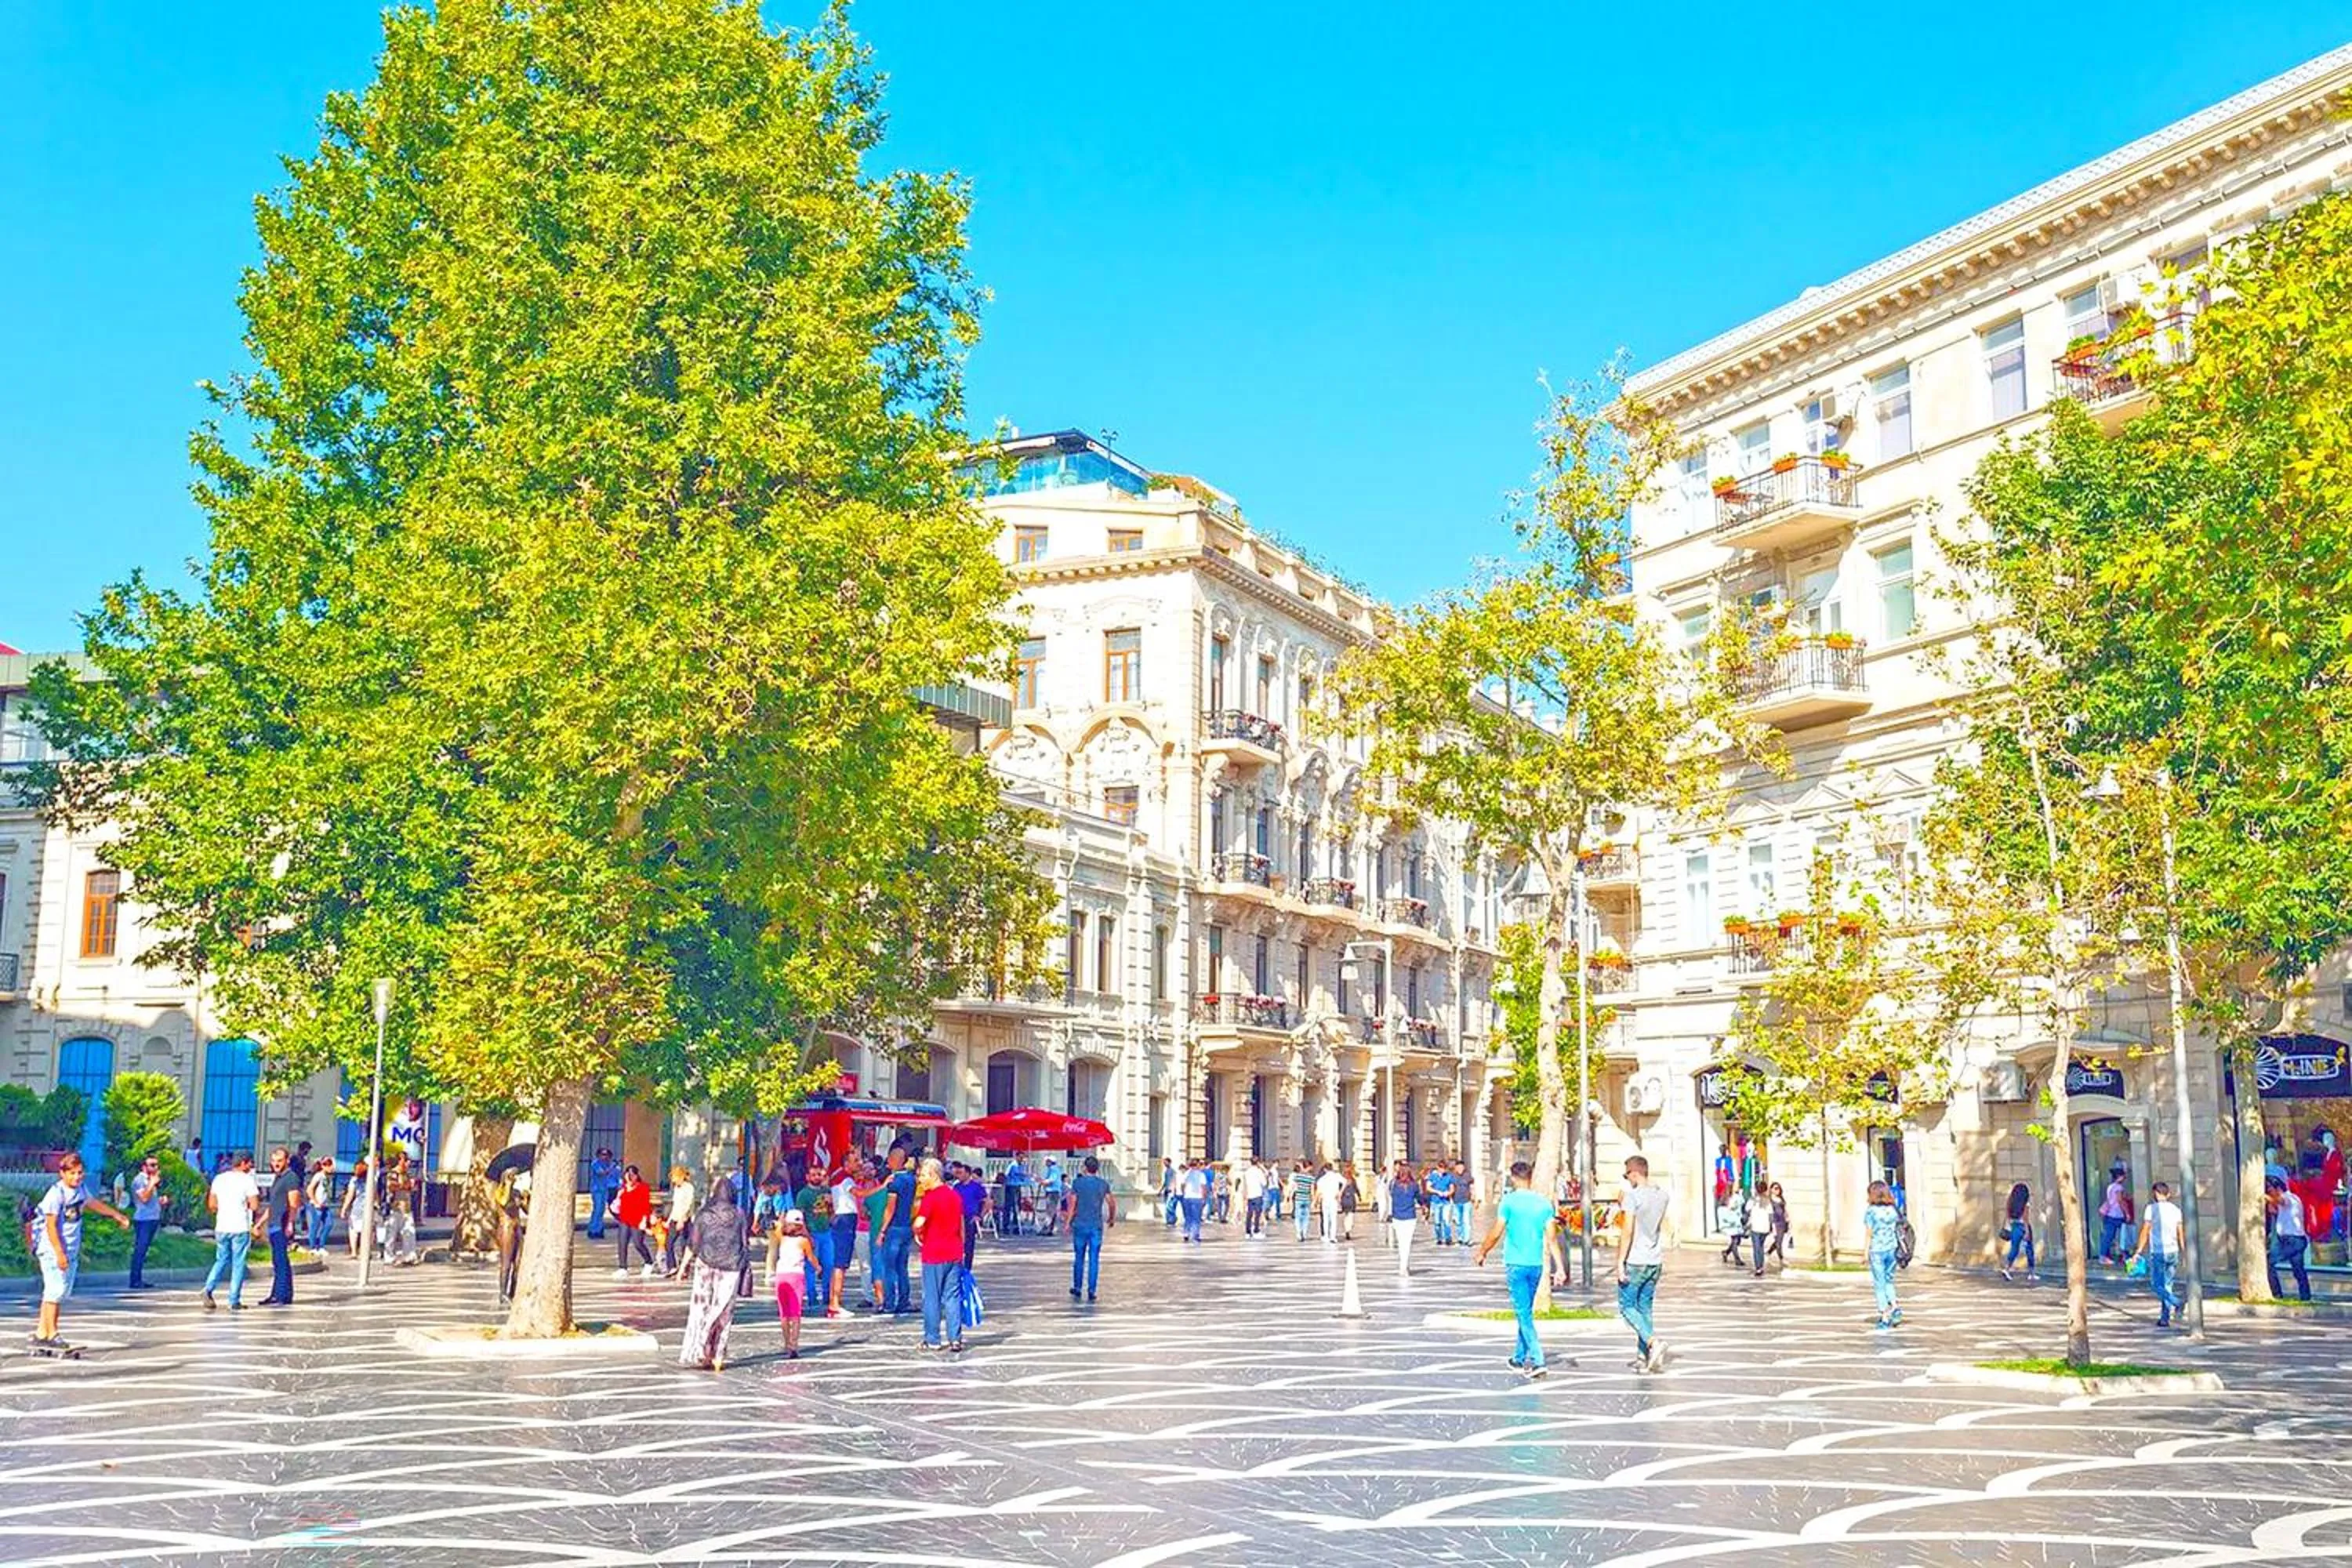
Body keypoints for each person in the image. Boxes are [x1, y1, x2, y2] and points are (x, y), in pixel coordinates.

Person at [31, 1152, 128, 1350]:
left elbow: (92, 1203)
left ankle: (42, 1332)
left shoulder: (80, 1190)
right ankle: (52, 1333)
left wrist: (116, 1215)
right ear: (62, 1173)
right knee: (55, 1291)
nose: (77, 1177)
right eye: (72, 1173)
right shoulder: (56, 1194)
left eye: (80, 1173)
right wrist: (59, 1253)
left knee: (57, 1292)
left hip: (70, 1249)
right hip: (53, 1249)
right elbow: (50, 1226)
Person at [1475, 1160, 1555, 1381]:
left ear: (1513, 1177)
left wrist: (1483, 1251)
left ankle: (1538, 1360)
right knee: (1525, 1311)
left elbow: (1496, 1231)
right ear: (1530, 1177)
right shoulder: (1544, 1204)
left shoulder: (1508, 1202)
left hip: (1516, 1263)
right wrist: (1560, 1266)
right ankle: (1518, 1358)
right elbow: (1552, 1236)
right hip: (1536, 1264)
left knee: (1524, 1313)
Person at [678, 1178, 747, 1371]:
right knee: (724, 1311)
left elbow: (693, 1243)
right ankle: (717, 1354)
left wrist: (684, 1266)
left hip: (705, 1265)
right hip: (731, 1266)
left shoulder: (704, 1214)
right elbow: (744, 1242)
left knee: (700, 1309)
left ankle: (699, 1350)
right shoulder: (739, 1214)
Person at [1613, 1154, 1672, 1373]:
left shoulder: (1632, 1197)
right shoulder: (1663, 1196)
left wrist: (1620, 1261)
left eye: (1627, 1175)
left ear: (1634, 1173)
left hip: (1636, 1259)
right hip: (1654, 1259)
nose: (1627, 1179)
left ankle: (1651, 1342)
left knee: (1627, 1307)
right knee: (1645, 1308)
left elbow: (1627, 1230)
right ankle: (1643, 1356)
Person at [913, 1158, 967, 1352]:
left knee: (932, 1297)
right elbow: (962, 1226)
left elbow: (919, 1222)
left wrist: (917, 1233)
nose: (921, 1180)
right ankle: (955, 1339)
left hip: (934, 1253)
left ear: (934, 1175)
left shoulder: (931, 1197)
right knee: (952, 1296)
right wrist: (962, 1249)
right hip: (954, 1252)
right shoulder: (954, 1196)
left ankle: (932, 1338)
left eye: (924, 1175)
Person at [201, 1150, 263, 1311]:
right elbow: (255, 1205)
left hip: (222, 1226)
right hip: (240, 1226)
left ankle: (208, 1288)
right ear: (243, 1163)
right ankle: (233, 1299)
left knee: (221, 1259)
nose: (251, 1166)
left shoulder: (219, 1179)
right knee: (238, 1263)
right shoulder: (247, 1181)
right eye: (250, 1163)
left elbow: (212, 1205)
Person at [2131, 1179, 2187, 1328]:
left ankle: (2177, 1303)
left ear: (2155, 1194)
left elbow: (2146, 1230)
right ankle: (2164, 1318)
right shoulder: (2176, 1210)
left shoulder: (2151, 1209)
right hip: (2173, 1251)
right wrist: (2184, 1251)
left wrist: (2138, 1251)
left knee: (2156, 1285)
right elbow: (2180, 1232)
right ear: (2168, 1194)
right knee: (2167, 1285)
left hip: (2158, 1252)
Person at [257, 1146, 304, 1306]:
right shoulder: (278, 1178)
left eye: (280, 1161)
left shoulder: (291, 1178)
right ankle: (278, 1293)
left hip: (282, 1223)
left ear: (287, 1161)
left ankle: (283, 1295)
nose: (276, 1164)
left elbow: (294, 1203)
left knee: (281, 1260)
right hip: (273, 1223)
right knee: (277, 1260)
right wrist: (260, 1222)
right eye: (274, 1161)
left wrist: (290, 1223)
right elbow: (273, 1205)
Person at [1065, 1155, 1115, 1301]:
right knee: (1094, 1259)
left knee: (1079, 1257)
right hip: (1096, 1226)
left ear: (1085, 1168)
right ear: (1097, 1169)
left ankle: (1078, 1287)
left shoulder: (1077, 1183)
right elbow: (1111, 1203)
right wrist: (1111, 1218)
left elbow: (1073, 1205)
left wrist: (1068, 1223)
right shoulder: (1103, 1184)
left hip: (1080, 1225)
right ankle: (1092, 1289)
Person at [877, 1149, 918, 1312]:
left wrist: (882, 1231)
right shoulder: (911, 1180)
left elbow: (890, 1208)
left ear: (896, 1160)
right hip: (907, 1226)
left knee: (889, 1267)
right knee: (902, 1266)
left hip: (894, 1228)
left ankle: (889, 1303)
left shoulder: (895, 1182)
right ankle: (904, 1300)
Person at [772, 1208, 818, 1357]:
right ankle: (794, 1345)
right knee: (795, 1313)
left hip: (781, 1276)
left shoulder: (782, 1238)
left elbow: (779, 1226)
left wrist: (782, 1219)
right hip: (796, 1277)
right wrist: (818, 1268)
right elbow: (811, 1257)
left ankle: (786, 1344)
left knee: (784, 1313)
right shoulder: (803, 1241)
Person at [1863, 1178, 1904, 1330]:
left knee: (1879, 1283)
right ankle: (1894, 1305)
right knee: (1889, 1280)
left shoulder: (1871, 1212)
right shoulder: (1893, 1210)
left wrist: (1865, 1252)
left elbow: (1869, 1232)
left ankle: (1885, 1316)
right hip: (1892, 1248)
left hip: (1877, 1249)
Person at [2267, 1174, 2313, 1301]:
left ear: (2277, 1188)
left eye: (2270, 1190)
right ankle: (2305, 1297)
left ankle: (2277, 1294)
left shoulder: (2289, 1198)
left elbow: (2280, 1201)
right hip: (2294, 1239)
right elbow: (2276, 1212)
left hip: (2293, 1240)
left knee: (2269, 1262)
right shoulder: (2293, 1199)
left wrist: (2264, 1197)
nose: (2270, 1193)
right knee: (2298, 1270)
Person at [126, 1154, 169, 1289]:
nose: (156, 1168)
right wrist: (151, 1184)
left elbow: (150, 1200)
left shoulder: (152, 1180)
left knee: (144, 1250)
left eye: (156, 1165)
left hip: (152, 1217)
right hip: (143, 1219)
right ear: (144, 1167)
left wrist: (161, 1201)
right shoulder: (140, 1180)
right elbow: (143, 1198)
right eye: (152, 1165)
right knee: (140, 1249)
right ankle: (135, 1280)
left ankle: (139, 1278)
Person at [826, 1158, 859, 1318]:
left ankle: (834, 1302)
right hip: (845, 1219)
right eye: (855, 1161)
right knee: (840, 1264)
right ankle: (835, 1304)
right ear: (847, 1163)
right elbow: (858, 1193)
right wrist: (881, 1187)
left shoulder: (837, 1177)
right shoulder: (846, 1179)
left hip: (842, 1219)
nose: (858, 1164)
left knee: (839, 1265)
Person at [611, 1163, 658, 1276]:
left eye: (632, 1175)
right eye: (628, 1175)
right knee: (622, 1243)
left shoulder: (643, 1188)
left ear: (637, 1176)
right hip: (624, 1218)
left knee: (638, 1243)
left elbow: (645, 1206)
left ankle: (649, 1262)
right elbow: (617, 1203)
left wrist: (644, 1220)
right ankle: (623, 1267)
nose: (630, 1178)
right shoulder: (623, 1189)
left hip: (638, 1219)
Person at [382, 1149, 420, 1265]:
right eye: (406, 1160)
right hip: (395, 1207)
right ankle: (388, 1256)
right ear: (400, 1161)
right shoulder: (393, 1173)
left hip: (407, 1208)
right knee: (391, 1233)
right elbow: (392, 1187)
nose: (408, 1163)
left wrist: (411, 1186)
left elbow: (413, 1188)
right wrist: (406, 1186)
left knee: (409, 1233)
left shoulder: (407, 1175)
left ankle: (410, 1255)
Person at [953, 1162, 989, 1269]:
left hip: (970, 1218)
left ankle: (968, 1268)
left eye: (961, 1173)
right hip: (958, 1218)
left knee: (969, 1245)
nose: (958, 1175)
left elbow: (987, 1201)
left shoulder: (976, 1187)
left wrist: (980, 1216)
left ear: (968, 1174)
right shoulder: (957, 1187)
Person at [662, 1165, 698, 1276]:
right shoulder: (676, 1189)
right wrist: (669, 1220)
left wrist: (682, 1219)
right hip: (675, 1217)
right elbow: (675, 1205)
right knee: (669, 1243)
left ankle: (685, 1269)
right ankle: (672, 1266)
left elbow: (688, 1205)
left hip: (685, 1219)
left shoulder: (689, 1188)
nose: (673, 1180)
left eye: (674, 1177)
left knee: (685, 1244)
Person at [1388, 1161, 1421, 1274]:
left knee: (1401, 1243)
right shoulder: (1414, 1185)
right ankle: (1404, 1266)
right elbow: (1419, 1198)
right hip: (1410, 1216)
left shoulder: (1393, 1184)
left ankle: (1404, 1265)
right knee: (1407, 1243)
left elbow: (1391, 1195)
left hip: (1397, 1216)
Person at [2096, 1164, 2132, 1264]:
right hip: (2117, 1215)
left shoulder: (2110, 1187)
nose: (2125, 1178)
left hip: (2110, 1214)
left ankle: (2104, 1256)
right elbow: (2120, 1201)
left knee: (2108, 1236)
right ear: (2120, 1177)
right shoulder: (2119, 1188)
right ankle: (2125, 1255)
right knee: (2123, 1236)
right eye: (2124, 1176)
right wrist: (2127, 1213)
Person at [2002, 1181, 2037, 1281]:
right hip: (2023, 1226)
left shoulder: (2010, 1201)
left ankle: (2007, 1269)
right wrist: (2027, 1231)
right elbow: (2026, 1218)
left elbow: (2007, 1215)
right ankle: (2031, 1273)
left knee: (2014, 1249)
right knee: (2029, 1250)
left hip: (2014, 1226)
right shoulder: (2025, 1204)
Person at [585, 1147, 619, 1241]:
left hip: (604, 1189)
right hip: (597, 1190)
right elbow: (601, 1173)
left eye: (607, 1155)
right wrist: (611, 1167)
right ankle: (592, 1230)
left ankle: (599, 1230)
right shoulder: (595, 1164)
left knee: (601, 1211)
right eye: (603, 1154)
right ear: (598, 1155)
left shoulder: (608, 1164)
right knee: (597, 1210)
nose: (605, 1157)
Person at [304, 1156, 336, 1252]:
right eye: (330, 1166)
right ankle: (313, 1247)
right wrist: (315, 1202)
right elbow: (309, 1189)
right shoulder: (319, 1176)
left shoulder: (329, 1177)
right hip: (316, 1205)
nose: (332, 1168)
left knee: (329, 1224)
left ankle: (321, 1246)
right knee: (315, 1225)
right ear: (323, 1166)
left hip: (324, 1205)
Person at [1744, 1177, 1773, 1275]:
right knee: (1760, 1247)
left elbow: (1746, 1211)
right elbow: (1771, 1215)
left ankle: (1758, 1267)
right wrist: (1771, 1226)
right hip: (1765, 1227)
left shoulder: (1753, 1200)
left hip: (1755, 1226)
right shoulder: (1768, 1201)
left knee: (1757, 1248)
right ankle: (1761, 1265)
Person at [1178, 1160, 1210, 1243]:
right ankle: (1195, 1236)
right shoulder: (1201, 1175)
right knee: (1196, 1218)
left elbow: (1182, 1185)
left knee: (1188, 1217)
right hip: (1197, 1198)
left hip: (1187, 1197)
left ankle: (1186, 1233)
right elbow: (1203, 1187)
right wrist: (1204, 1198)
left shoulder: (1186, 1174)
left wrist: (1184, 1193)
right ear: (1198, 1165)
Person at [1426, 1162, 1455, 1247]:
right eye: (1441, 1168)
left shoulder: (1449, 1177)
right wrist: (1437, 1192)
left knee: (1446, 1221)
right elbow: (1428, 1188)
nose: (1443, 1170)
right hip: (1436, 1201)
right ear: (1438, 1167)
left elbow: (1452, 1189)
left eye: (1444, 1168)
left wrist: (1448, 1193)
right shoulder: (1433, 1176)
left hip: (1446, 1202)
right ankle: (1439, 1238)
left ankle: (1448, 1238)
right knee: (1437, 1222)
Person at [1313, 1161, 1342, 1246]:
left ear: (1325, 1169)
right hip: (1334, 1200)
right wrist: (1340, 1192)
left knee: (1325, 1219)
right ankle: (1333, 1237)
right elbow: (1344, 1182)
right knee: (1333, 1219)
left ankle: (1326, 1236)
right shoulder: (1337, 1176)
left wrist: (1315, 1201)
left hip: (1325, 1200)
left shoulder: (1322, 1179)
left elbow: (1318, 1192)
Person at [1766, 1181, 1791, 1268]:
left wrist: (1788, 1220)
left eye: (1779, 1188)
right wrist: (1772, 1225)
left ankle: (1768, 1252)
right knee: (1779, 1242)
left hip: (1783, 1222)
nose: (1777, 1190)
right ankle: (1781, 1259)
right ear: (1771, 1189)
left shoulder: (1781, 1199)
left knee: (1778, 1241)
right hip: (1776, 1222)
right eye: (1775, 1188)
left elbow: (1785, 1210)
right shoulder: (1770, 1200)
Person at [1241, 1158, 1268, 1238]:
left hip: (1250, 1194)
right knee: (1257, 1213)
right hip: (1257, 1194)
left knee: (1249, 1213)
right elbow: (1264, 1183)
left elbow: (1245, 1183)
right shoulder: (1259, 1172)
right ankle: (1256, 1230)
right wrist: (1263, 1169)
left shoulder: (1247, 1172)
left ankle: (1248, 1232)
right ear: (1258, 1163)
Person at [1450, 1160, 1474, 1250]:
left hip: (1466, 1201)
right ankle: (1460, 1238)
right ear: (1456, 1168)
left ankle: (1467, 1240)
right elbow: (1451, 1187)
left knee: (1466, 1221)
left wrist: (1474, 1197)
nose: (1460, 1169)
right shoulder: (1452, 1176)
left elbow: (1472, 1186)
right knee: (1458, 1221)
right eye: (1459, 1167)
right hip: (1456, 1201)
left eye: (1462, 1167)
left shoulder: (1468, 1176)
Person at [1040, 1156, 1065, 1238]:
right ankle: (1050, 1229)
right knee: (1052, 1211)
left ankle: (1047, 1228)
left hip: (1053, 1192)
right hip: (1053, 1191)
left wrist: (1044, 1182)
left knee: (1050, 1211)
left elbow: (1051, 1180)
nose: (1046, 1163)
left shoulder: (1053, 1169)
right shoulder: (1053, 1169)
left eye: (1047, 1161)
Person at [1290, 1161, 1316, 1241]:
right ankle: (1304, 1233)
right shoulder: (1311, 1178)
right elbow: (1312, 1190)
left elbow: (1294, 1187)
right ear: (1308, 1167)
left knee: (1298, 1217)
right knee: (1306, 1217)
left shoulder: (1297, 1177)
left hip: (1298, 1198)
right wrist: (1313, 1200)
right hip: (1307, 1198)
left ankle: (1299, 1233)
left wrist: (1290, 1196)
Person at [1338, 1160, 1361, 1241]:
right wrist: (1359, 1196)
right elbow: (1356, 1189)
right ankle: (1348, 1229)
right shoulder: (1352, 1179)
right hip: (1350, 1199)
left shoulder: (1341, 1179)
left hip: (1344, 1199)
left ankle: (1347, 1229)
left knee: (1347, 1215)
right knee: (1350, 1215)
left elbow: (1338, 1189)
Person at [1160, 1157, 1178, 1229]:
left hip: (1171, 1191)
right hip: (1166, 1190)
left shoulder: (1172, 1171)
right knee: (1167, 1206)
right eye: (1164, 1162)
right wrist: (1161, 1190)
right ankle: (1169, 1220)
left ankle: (1172, 1219)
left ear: (1169, 1162)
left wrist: (1173, 1190)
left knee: (1169, 1206)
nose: (1164, 1164)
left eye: (1165, 1162)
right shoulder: (1167, 1171)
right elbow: (1165, 1182)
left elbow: (1173, 1181)